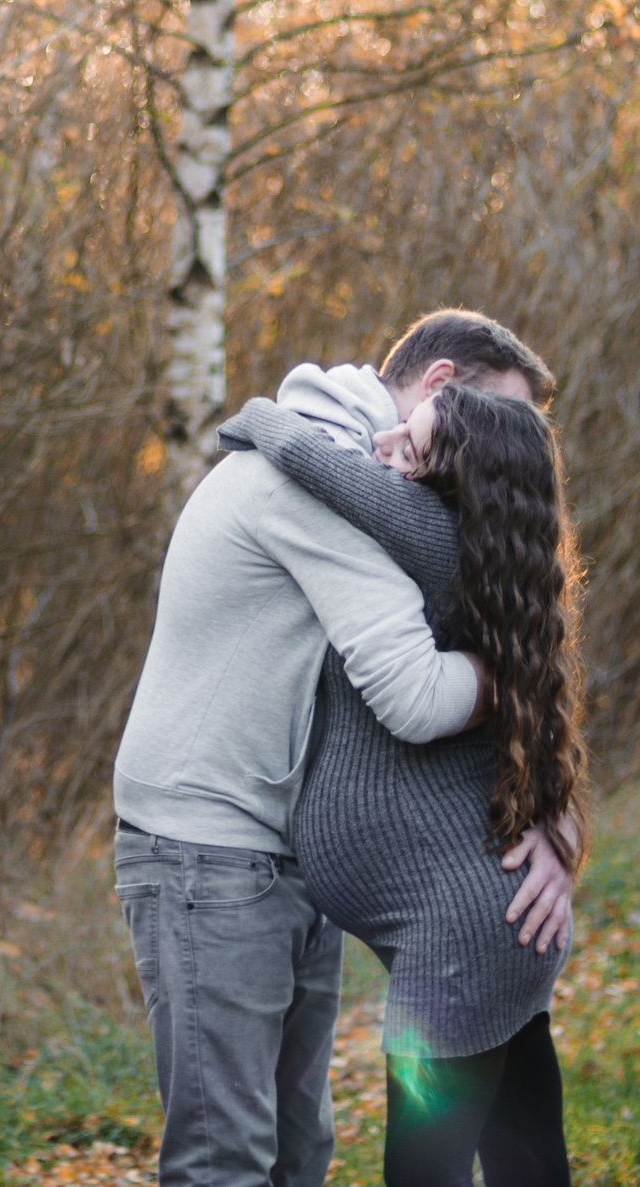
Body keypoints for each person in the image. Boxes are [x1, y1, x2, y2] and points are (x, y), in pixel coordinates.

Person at [111, 309, 575, 1187]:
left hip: (278, 847)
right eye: (500, 417)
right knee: (224, 1159)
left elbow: (495, 606)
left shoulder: (372, 478)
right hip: (207, 847)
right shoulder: (323, 481)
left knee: (298, 1151)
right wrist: (514, 676)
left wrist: (552, 817)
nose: (504, 446)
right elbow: (417, 691)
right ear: (442, 386)